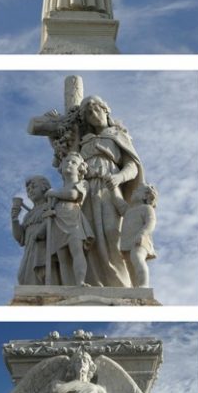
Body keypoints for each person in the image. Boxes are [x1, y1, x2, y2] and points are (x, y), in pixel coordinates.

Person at [77, 96, 144, 287]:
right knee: (88, 235)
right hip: (87, 188)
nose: (93, 115)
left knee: (112, 232)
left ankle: (122, 283)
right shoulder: (84, 141)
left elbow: (132, 165)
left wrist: (119, 177)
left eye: (95, 110)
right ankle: (93, 281)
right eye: (88, 113)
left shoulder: (117, 135)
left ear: (105, 110)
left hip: (110, 187)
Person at [43, 152, 94, 286]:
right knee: (62, 257)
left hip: (72, 218)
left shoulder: (82, 183)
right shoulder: (59, 189)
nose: (69, 164)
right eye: (66, 161)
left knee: (76, 250)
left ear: (80, 168)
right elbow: (52, 206)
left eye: (73, 162)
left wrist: (53, 193)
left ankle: (80, 281)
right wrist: (49, 212)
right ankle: (67, 286)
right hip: (58, 221)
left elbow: (73, 195)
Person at [114, 183, 158, 287]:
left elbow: (151, 222)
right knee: (130, 267)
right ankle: (135, 287)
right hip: (127, 243)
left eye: (137, 190)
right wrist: (113, 187)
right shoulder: (128, 210)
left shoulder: (146, 208)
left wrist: (142, 234)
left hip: (140, 240)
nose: (133, 191)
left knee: (137, 258)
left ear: (145, 196)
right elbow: (118, 202)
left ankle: (143, 285)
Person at [11, 175, 52, 285]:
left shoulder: (51, 205)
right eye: (28, 190)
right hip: (30, 250)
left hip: (44, 248)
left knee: (42, 276)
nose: (30, 191)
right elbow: (20, 238)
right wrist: (14, 219)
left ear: (44, 187)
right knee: (22, 277)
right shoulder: (28, 215)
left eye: (34, 187)